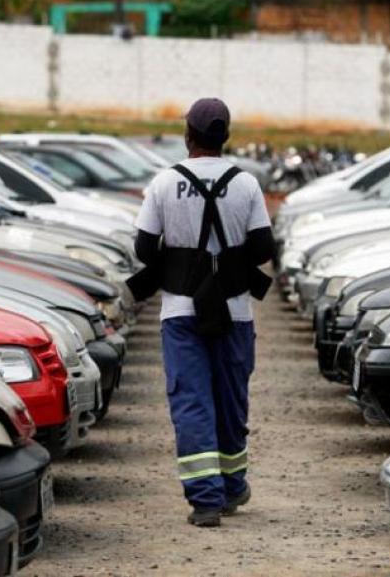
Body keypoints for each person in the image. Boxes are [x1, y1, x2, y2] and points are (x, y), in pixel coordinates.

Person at [132, 98, 275, 527]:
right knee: (231, 400)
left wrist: (179, 260)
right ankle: (233, 487)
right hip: (235, 311)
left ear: (188, 135)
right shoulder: (246, 184)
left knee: (192, 402)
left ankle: (206, 501)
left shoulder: (163, 183)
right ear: (225, 136)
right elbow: (265, 248)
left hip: (180, 311)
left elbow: (143, 247)